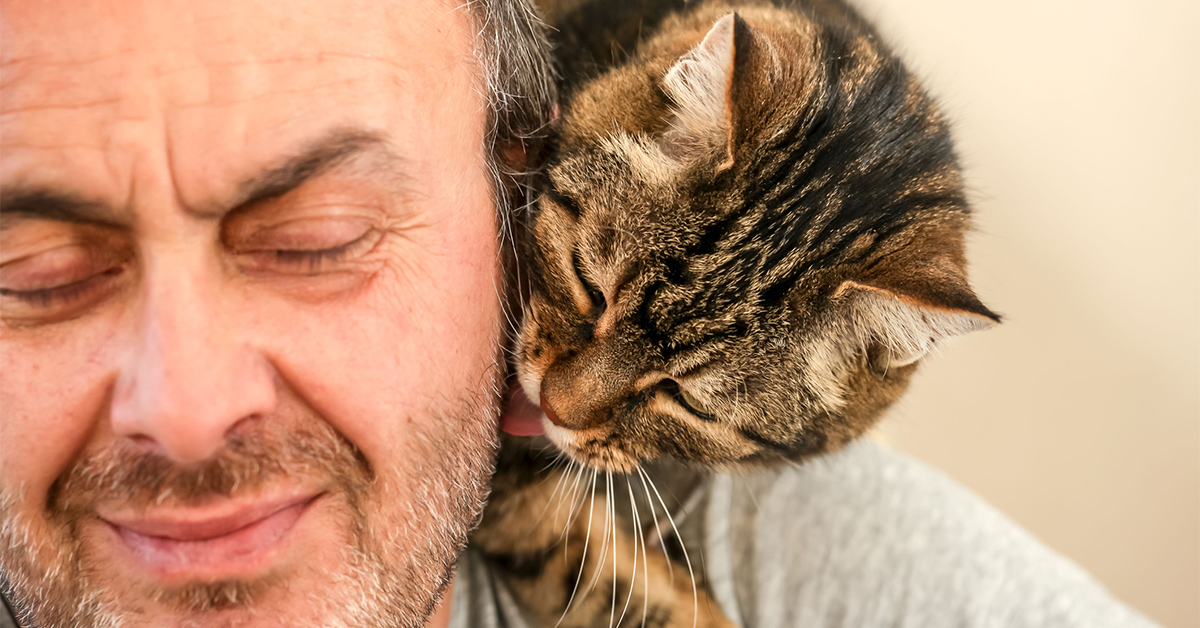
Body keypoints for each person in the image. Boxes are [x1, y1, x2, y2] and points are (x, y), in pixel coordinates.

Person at [0, 0, 1161, 627]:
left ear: (505, 171)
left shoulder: (806, 561)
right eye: (37, 271)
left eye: (319, 241)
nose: (550, 397)